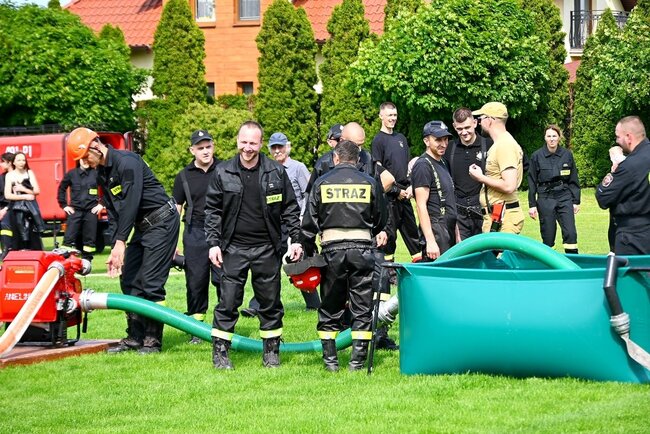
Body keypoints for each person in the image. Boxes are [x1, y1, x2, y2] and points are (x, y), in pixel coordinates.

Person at [66, 127, 180, 354]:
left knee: (151, 282)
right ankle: (135, 337)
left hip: (162, 221)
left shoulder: (127, 162)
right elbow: (113, 211)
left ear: (95, 145)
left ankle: (152, 340)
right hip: (143, 227)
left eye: (85, 157)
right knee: (129, 279)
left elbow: (131, 203)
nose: (85, 163)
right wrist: (116, 247)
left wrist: (121, 241)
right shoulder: (102, 173)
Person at [205, 121, 302, 370]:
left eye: (253, 143)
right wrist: (214, 244)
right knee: (228, 302)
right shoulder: (223, 171)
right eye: (244, 142)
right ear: (237, 141)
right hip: (232, 249)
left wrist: (296, 239)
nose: (248, 148)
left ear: (261, 144)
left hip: (267, 249)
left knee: (270, 303)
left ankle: (271, 352)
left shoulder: (275, 171)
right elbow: (213, 211)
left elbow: (290, 208)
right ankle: (220, 353)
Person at [301, 140, 387, 371]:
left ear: (335, 158)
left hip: (332, 250)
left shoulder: (321, 182)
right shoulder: (370, 182)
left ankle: (330, 362)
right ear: (357, 160)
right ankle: (357, 362)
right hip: (362, 249)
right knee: (362, 305)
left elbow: (309, 223)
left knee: (330, 305)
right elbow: (381, 218)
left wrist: (310, 253)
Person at [242, 132, 320, 318]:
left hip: (293, 223)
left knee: (300, 264)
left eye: (280, 147)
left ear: (288, 147)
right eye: (274, 147)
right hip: (272, 226)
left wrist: (303, 218)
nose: (277, 150)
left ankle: (314, 304)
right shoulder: (267, 169)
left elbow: (309, 194)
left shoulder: (298, 168)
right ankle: (257, 305)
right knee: (268, 265)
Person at [172, 129, 221, 344]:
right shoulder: (183, 176)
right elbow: (176, 210)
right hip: (194, 232)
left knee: (224, 280)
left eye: (208, 147)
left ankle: (224, 325)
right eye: (200, 148)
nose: (205, 151)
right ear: (192, 150)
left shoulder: (225, 170)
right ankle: (197, 329)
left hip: (222, 232)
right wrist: (171, 242)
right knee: (195, 281)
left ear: (213, 147)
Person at [371, 102, 422, 262]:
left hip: (405, 196)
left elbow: (407, 168)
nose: (393, 118)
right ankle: (389, 273)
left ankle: (419, 268)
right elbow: (378, 172)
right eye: (389, 115)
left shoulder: (401, 138)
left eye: (395, 115)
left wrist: (411, 186)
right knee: (388, 239)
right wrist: (396, 191)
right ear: (381, 116)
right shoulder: (378, 140)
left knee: (414, 237)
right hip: (389, 199)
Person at [596, 116, 650, 255]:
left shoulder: (630, 165)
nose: (617, 141)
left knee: (633, 270)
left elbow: (603, 197)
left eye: (618, 137)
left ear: (628, 137)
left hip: (633, 237)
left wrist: (615, 169)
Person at [468, 102, 525, 234]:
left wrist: (480, 178)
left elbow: (509, 186)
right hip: (496, 217)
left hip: (504, 218)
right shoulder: (500, 144)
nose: (479, 123)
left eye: (481, 118)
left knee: (500, 250)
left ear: (489, 120)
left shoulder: (505, 145)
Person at [527, 125, 580, 253]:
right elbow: (532, 181)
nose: (552, 139)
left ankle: (572, 260)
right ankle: (550, 263)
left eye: (554, 136)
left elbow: (573, 178)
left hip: (564, 195)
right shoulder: (536, 156)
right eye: (549, 136)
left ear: (559, 138)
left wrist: (576, 201)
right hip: (545, 197)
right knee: (548, 235)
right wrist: (532, 205)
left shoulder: (567, 155)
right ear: (545, 138)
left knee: (570, 233)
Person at [412, 121, 459, 260]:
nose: (443, 144)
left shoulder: (443, 162)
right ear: (426, 141)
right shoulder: (423, 165)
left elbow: (450, 201)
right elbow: (420, 205)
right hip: (436, 229)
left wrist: (457, 235)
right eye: (438, 140)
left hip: (449, 227)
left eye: (446, 139)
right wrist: (431, 241)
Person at [445, 107, 493, 240]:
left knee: (486, 249)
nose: (464, 132)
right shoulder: (449, 148)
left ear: (475, 123)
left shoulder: (489, 145)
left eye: (467, 127)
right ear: (454, 127)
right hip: (459, 213)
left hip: (484, 211)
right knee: (463, 251)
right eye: (460, 129)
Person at [57, 159, 104, 259]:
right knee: (68, 238)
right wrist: (64, 205)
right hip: (75, 211)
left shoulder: (96, 174)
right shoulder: (72, 174)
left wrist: (102, 204)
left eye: (87, 159)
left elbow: (107, 188)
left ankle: (87, 261)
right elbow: (61, 189)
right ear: (79, 160)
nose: (86, 161)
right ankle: (65, 261)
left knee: (90, 241)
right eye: (83, 159)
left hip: (91, 212)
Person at [3, 152, 45, 250]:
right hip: (16, 208)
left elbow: (37, 191)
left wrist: (23, 189)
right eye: (19, 160)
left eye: (23, 160)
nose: (22, 162)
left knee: (33, 235)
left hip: (30, 208)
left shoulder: (29, 173)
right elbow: (7, 195)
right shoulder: (9, 175)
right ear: (13, 162)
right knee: (18, 235)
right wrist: (25, 196)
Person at [0, 152, 15, 259]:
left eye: (2, 162)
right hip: (2, 208)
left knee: (5, 223)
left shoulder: (17, 176)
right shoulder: (1, 178)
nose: (0, 164)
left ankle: (7, 249)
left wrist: (4, 209)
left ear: (9, 163)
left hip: (13, 207)